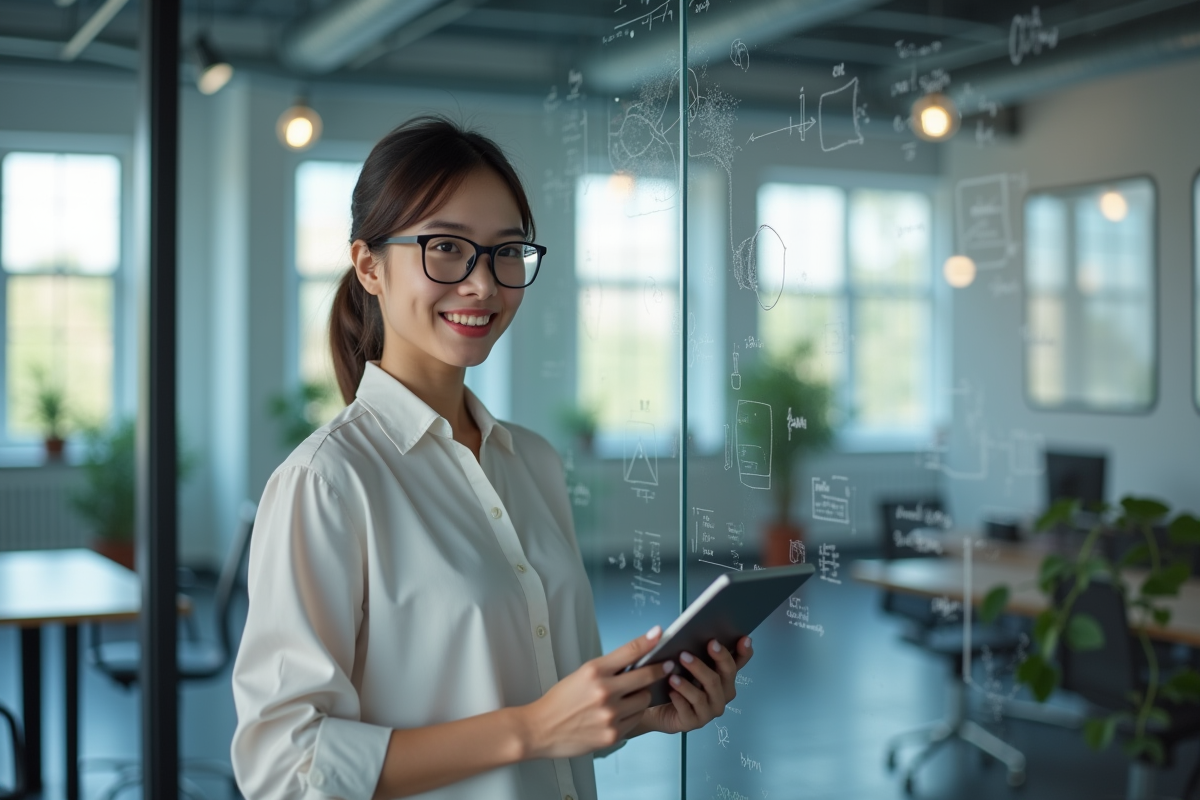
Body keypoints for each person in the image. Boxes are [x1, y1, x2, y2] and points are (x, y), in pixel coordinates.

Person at [231, 116, 753, 800]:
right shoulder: (326, 481)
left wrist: (638, 710)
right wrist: (531, 729)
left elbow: (553, 706)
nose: (482, 284)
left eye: (506, 252)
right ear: (369, 266)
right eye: (446, 248)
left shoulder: (531, 461)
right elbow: (284, 765)